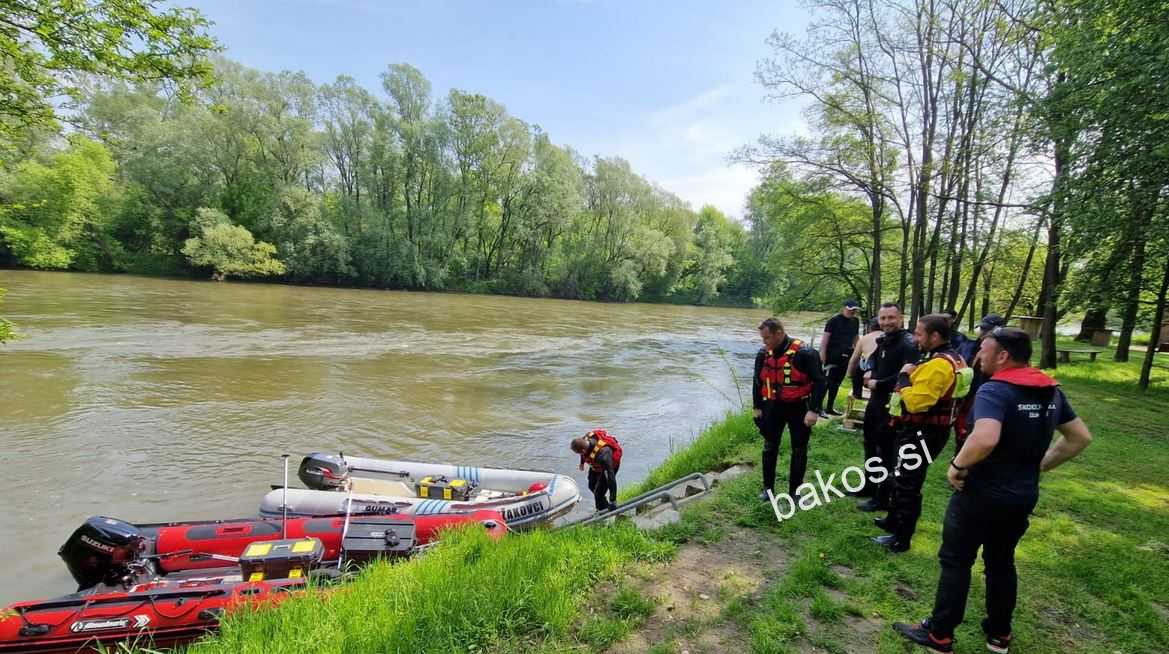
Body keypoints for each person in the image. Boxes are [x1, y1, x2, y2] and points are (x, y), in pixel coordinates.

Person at [893, 328, 1092, 653]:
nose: (978, 356)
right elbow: (1080, 437)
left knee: (956, 562)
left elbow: (985, 437)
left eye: (984, 350)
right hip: (1022, 495)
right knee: (1001, 562)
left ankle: (940, 634)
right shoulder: (1050, 390)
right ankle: (999, 634)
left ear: (1002, 356)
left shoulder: (996, 390)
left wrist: (957, 466)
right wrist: (1041, 465)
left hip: (981, 493)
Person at [871, 313, 969, 553]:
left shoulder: (938, 365)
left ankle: (901, 539)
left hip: (923, 433)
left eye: (919, 333)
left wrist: (904, 376)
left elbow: (916, 403)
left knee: (908, 484)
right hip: (923, 431)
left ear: (934, 336)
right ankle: (893, 520)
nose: (915, 337)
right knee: (899, 475)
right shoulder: (954, 358)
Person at [752, 317, 827, 501]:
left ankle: (795, 492)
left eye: (767, 338)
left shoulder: (805, 353)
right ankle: (768, 490)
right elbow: (757, 381)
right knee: (769, 447)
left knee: (799, 450)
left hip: (799, 407)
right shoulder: (763, 354)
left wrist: (814, 410)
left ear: (779, 333)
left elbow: (820, 382)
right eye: (763, 339)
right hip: (772, 407)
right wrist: (757, 407)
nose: (765, 343)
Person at [855, 304, 917, 506]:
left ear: (901, 318)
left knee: (886, 450)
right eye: (883, 318)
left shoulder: (908, 343)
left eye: (891, 318)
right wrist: (868, 370)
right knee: (870, 444)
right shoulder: (884, 340)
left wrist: (878, 383)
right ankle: (869, 486)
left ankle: (882, 497)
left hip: (893, 404)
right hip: (875, 401)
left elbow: (908, 374)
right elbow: (872, 359)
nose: (887, 322)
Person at [953, 314, 1007, 449]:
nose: (982, 333)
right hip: (969, 394)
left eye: (987, 330)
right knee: (963, 429)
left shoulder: (1004, 352)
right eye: (982, 329)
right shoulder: (971, 346)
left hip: (988, 394)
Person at [820, 299, 862, 417]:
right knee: (826, 383)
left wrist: (859, 352)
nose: (852, 312)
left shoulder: (855, 321)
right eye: (850, 309)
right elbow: (825, 340)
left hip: (846, 357)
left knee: (836, 383)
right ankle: (818, 408)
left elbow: (856, 338)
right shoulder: (833, 321)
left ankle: (829, 407)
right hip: (831, 356)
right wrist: (822, 355)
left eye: (854, 310)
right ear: (844, 308)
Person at [570, 429, 622, 512]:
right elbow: (582, 450)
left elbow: (611, 479)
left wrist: (613, 500)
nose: (580, 455)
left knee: (598, 493)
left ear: (583, 451)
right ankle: (604, 505)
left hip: (610, 465)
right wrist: (582, 462)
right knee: (592, 485)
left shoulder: (603, 455)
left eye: (579, 453)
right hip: (597, 463)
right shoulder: (586, 439)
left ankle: (602, 512)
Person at [847, 317, 881, 402]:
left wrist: (850, 374)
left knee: (858, 367)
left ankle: (857, 394)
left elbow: (853, 360)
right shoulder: (889, 337)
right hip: (885, 370)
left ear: (870, 328)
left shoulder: (865, 338)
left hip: (867, 371)